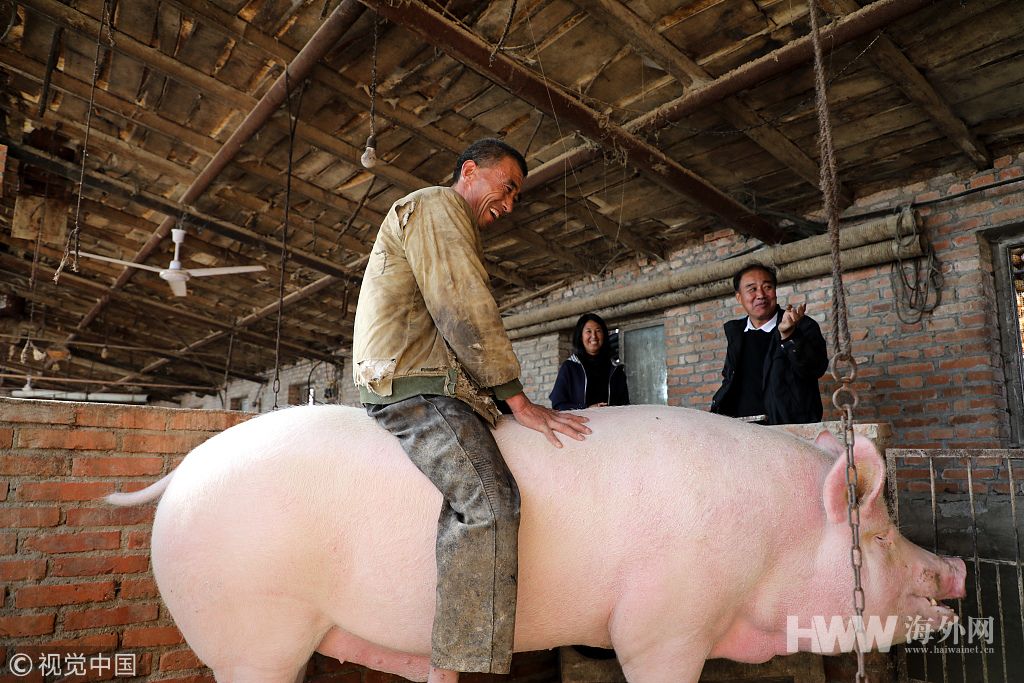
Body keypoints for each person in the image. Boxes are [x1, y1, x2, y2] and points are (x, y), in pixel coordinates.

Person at [352, 138, 591, 683]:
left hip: (429, 379)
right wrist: (518, 400)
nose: (508, 206)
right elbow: (463, 307)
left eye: (515, 197)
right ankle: (448, 672)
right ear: (469, 171)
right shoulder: (437, 205)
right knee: (492, 500)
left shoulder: (439, 217)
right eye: (506, 188)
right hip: (414, 388)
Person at [709, 262, 828, 425]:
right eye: (752, 289)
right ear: (739, 297)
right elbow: (730, 378)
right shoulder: (737, 333)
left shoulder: (801, 325)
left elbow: (815, 368)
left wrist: (788, 335)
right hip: (740, 431)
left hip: (787, 430)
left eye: (767, 287)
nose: (760, 295)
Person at [549, 313, 629, 410]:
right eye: (588, 331)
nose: (594, 336)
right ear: (580, 337)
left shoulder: (616, 369)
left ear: (604, 335)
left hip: (610, 424)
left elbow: (625, 406)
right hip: (580, 423)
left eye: (598, 331)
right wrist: (587, 409)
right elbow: (558, 405)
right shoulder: (570, 367)